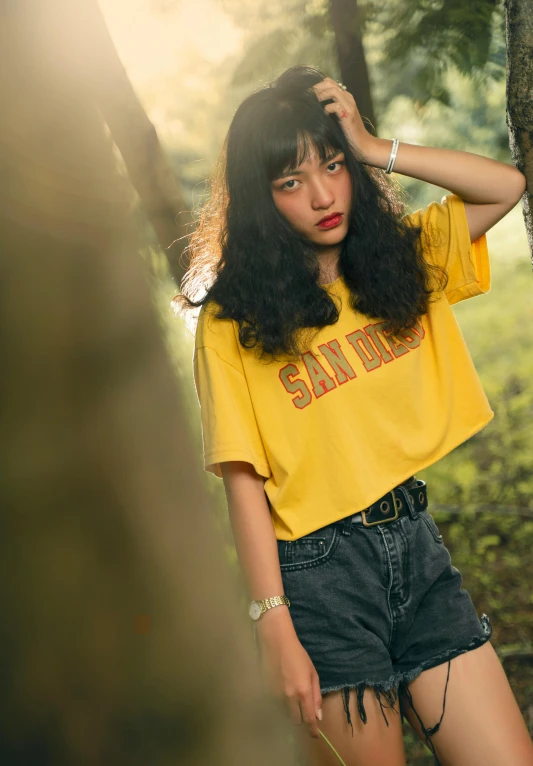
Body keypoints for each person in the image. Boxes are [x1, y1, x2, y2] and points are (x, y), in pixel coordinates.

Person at [174, 66, 533, 766]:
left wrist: (373, 147)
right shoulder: (232, 320)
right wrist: (272, 621)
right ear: (260, 198)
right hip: (315, 577)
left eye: (332, 167)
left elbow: (506, 185)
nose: (320, 195)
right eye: (290, 182)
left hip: (415, 546)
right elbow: (241, 476)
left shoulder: (398, 260)